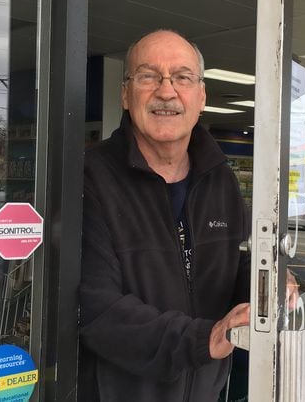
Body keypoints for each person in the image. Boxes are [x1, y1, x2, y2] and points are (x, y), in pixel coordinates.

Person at [78, 29, 251, 401]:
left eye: (182, 77)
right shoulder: (90, 177)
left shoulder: (220, 180)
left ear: (201, 95)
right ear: (125, 94)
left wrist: (273, 286)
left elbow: (242, 266)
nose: (166, 91)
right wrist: (204, 339)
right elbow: (96, 309)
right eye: (148, 76)